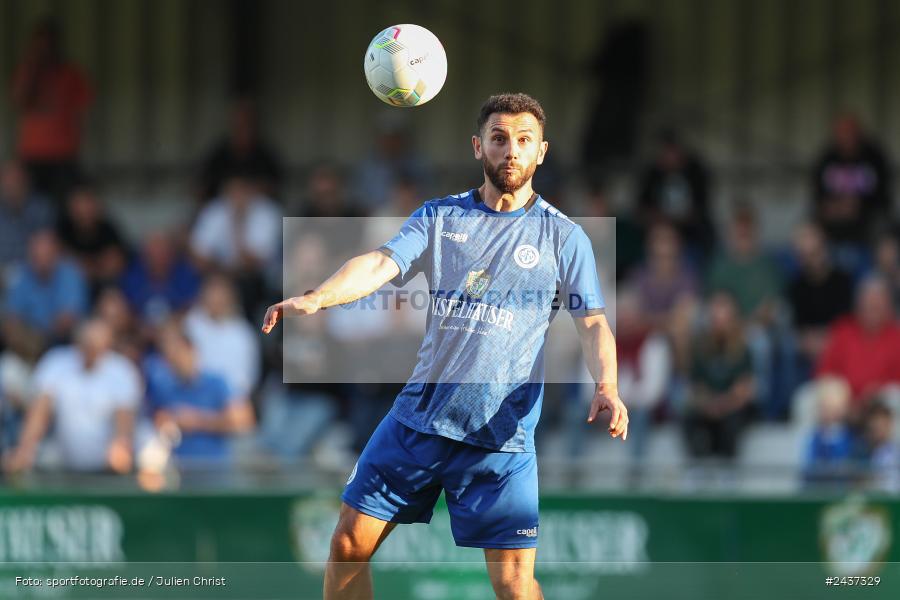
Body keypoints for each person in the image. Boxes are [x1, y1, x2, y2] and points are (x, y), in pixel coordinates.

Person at [262, 93, 626, 600]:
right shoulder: (439, 218)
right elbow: (381, 263)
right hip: (419, 421)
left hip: (499, 435)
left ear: (542, 151)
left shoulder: (565, 238)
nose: (511, 151)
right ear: (479, 147)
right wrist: (319, 297)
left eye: (524, 141)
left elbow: (592, 323)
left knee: (516, 587)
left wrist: (607, 385)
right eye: (499, 139)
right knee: (346, 546)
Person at [2, 319, 141, 474]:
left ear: (107, 344)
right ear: (77, 342)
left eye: (97, 346)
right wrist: (25, 448)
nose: (91, 350)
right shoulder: (55, 362)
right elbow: (40, 411)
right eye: (87, 344)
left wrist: (121, 446)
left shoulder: (122, 371)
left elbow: (124, 419)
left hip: (108, 464)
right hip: (62, 458)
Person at [145, 321, 254, 468]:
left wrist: (196, 421)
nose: (174, 360)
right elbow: (155, 422)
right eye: (169, 355)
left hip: (215, 474)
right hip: (178, 474)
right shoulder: (162, 387)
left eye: (178, 353)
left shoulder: (217, 382)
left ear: (192, 351)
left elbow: (243, 420)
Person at [11, 17, 92, 205]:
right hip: (31, 152)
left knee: (64, 204)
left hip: (62, 153)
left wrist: (76, 145)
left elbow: (83, 114)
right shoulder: (26, 71)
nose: (46, 49)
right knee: (29, 203)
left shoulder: (71, 74)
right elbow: (18, 100)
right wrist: (33, 68)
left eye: (49, 44)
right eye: (40, 45)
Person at [816, 276, 900, 417]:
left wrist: (876, 392)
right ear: (858, 305)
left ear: (888, 307)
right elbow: (825, 371)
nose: (872, 309)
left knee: (893, 397)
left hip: (882, 402)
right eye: (867, 304)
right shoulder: (842, 330)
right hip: (844, 401)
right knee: (810, 398)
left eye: (877, 304)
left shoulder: (896, 336)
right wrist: (846, 397)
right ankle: (824, 439)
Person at [0, 158, 55, 274]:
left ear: (25, 180)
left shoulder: (41, 208)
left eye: (16, 179)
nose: (11, 184)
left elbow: (45, 247)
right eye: (6, 179)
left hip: (32, 273)